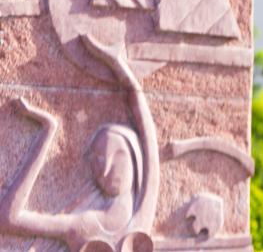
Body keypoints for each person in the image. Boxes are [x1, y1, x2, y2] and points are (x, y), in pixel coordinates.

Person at [0, 34, 160, 251]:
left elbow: (147, 131)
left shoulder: (139, 211)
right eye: (98, 158)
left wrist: (119, 65)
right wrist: (47, 132)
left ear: (135, 159)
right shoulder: (87, 225)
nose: (106, 168)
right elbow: (10, 218)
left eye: (118, 156)